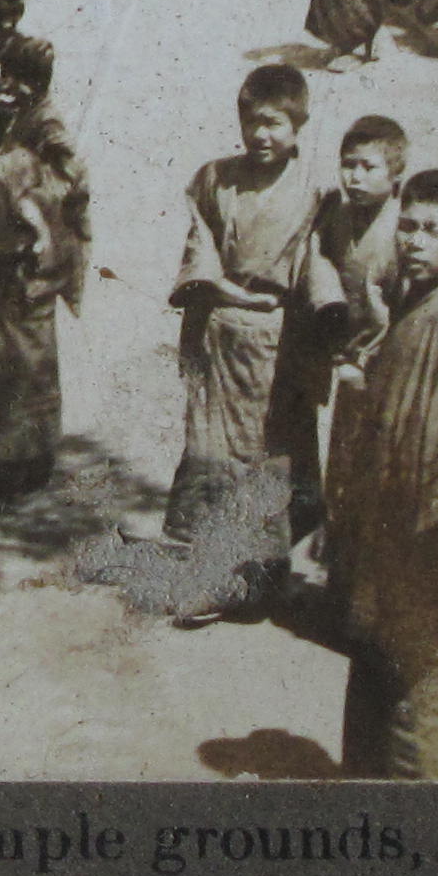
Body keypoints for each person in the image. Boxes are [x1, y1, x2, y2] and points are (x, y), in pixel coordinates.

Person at [295, 167, 438, 779]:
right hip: (391, 543)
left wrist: (422, 563)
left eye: (433, 230)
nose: (414, 240)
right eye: (407, 226)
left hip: (430, 552)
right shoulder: (417, 301)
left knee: (424, 717)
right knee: (377, 691)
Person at [158, 65, 314, 586]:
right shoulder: (216, 178)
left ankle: (260, 569)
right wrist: (218, 293)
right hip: (219, 330)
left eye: (272, 123)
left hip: (274, 341)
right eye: (250, 122)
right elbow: (200, 244)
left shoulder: (315, 192)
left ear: (298, 125)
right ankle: (209, 560)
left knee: (263, 454)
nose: (260, 135)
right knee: (208, 447)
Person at [0, 46, 89, 495]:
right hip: (41, 281)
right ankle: (40, 458)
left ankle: (1, 472)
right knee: (39, 369)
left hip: (1, 293)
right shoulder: (31, 159)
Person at [270, 113, 403, 539]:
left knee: (372, 463)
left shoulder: (401, 231)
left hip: (381, 363)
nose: (356, 177)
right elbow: (317, 251)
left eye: (369, 167)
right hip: (344, 358)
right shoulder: (337, 215)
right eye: (349, 165)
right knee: (342, 456)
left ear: (396, 172)